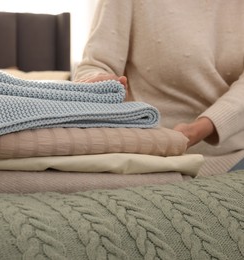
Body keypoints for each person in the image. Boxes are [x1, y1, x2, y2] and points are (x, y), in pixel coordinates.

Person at [73, 0, 244, 176]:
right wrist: (99, 83)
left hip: (235, 156)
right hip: (150, 157)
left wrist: (195, 131)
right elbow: (95, 66)